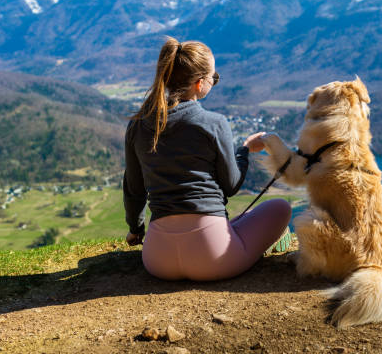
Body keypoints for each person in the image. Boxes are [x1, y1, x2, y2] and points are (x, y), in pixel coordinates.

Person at [123, 37, 291, 281]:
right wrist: (244, 150)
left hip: (157, 260)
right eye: (215, 77)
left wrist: (136, 231)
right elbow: (231, 185)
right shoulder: (214, 123)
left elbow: (133, 189)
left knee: (242, 220)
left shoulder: (138, 125)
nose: (215, 81)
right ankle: (227, 234)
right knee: (281, 207)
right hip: (214, 257)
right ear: (199, 84)